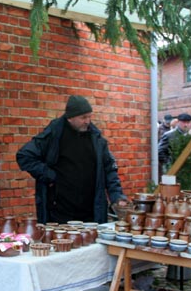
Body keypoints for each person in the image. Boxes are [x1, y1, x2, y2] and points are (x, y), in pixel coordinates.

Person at [16, 95, 128, 224]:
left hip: (91, 212)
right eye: (83, 117)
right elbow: (24, 156)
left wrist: (117, 196)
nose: (88, 121)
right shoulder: (54, 134)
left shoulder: (96, 138)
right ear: (70, 118)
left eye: (89, 116)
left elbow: (109, 169)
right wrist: (50, 175)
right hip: (60, 212)